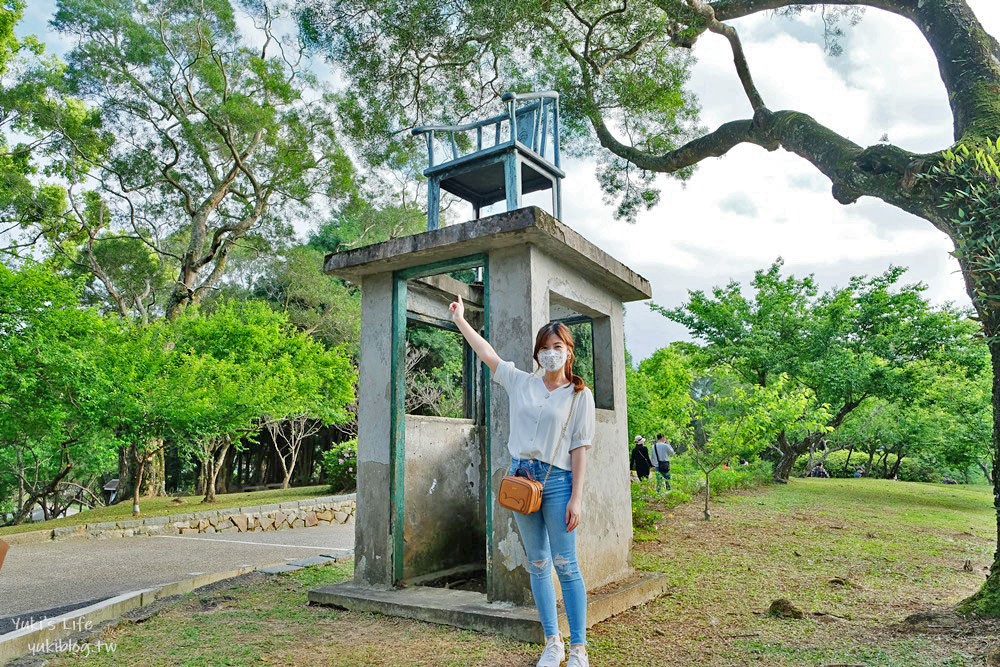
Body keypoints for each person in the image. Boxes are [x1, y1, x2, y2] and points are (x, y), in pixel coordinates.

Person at [450, 295, 595, 667]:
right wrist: (461, 320)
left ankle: (578, 648)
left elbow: (580, 448)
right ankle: (553, 642)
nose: (550, 354)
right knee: (539, 564)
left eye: (557, 347)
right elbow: (488, 354)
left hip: (558, 482)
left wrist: (577, 498)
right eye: (544, 348)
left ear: (569, 352)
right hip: (520, 481)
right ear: (536, 353)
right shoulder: (521, 383)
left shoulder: (579, 395)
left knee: (566, 563)